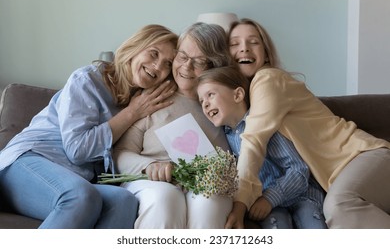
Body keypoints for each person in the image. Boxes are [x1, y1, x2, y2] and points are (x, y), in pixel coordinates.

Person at [0, 24, 178, 229]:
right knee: (79, 196)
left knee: (123, 201)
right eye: (153, 54)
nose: (157, 67)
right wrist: (132, 113)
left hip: (77, 179)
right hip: (26, 161)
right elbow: (78, 150)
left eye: (167, 64)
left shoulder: (143, 101)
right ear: (135, 48)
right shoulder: (87, 79)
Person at [224, 18, 390, 229]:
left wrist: (239, 204)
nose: (244, 48)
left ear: (266, 53)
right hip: (345, 174)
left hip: (364, 156)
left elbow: (253, 141)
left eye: (253, 42)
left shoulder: (268, 79)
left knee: (339, 206)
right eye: (234, 43)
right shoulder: (244, 102)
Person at [113, 22, 233, 229]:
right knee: (165, 198)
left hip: (202, 183)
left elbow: (230, 163)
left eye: (200, 62)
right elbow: (120, 154)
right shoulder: (152, 97)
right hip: (149, 181)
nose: (186, 67)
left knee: (210, 201)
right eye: (183, 57)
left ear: (213, 66)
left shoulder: (218, 104)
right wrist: (149, 167)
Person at [197, 65, 327, 228]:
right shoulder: (225, 136)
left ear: (237, 95)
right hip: (263, 203)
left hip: (301, 196)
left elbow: (299, 170)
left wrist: (270, 198)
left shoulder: (262, 124)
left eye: (210, 95)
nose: (205, 104)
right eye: (201, 101)